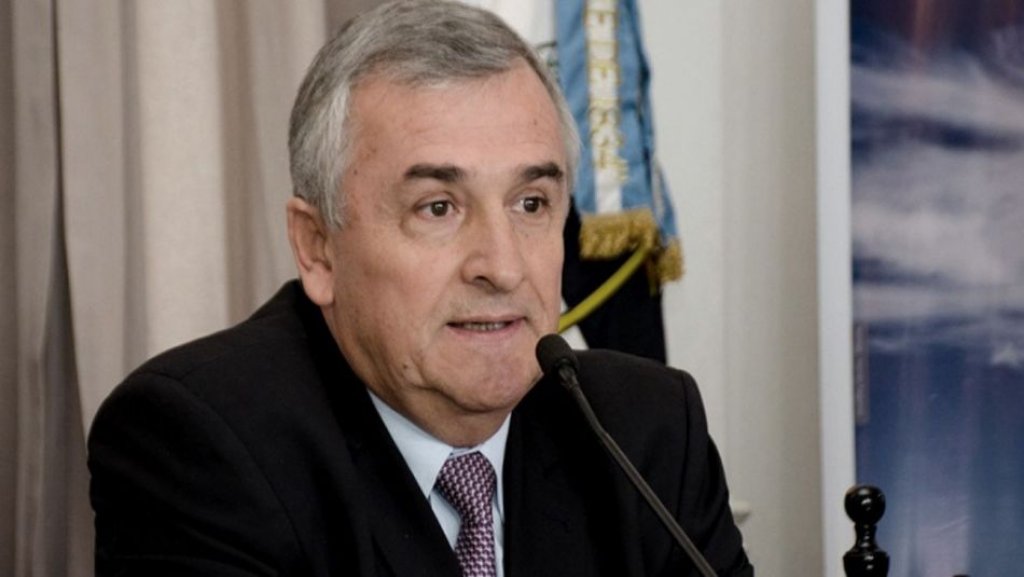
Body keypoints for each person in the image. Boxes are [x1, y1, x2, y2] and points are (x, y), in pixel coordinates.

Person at [87, 2, 753, 576]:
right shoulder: (199, 443)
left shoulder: (646, 433)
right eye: (438, 207)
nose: (503, 266)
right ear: (317, 247)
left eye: (530, 203)